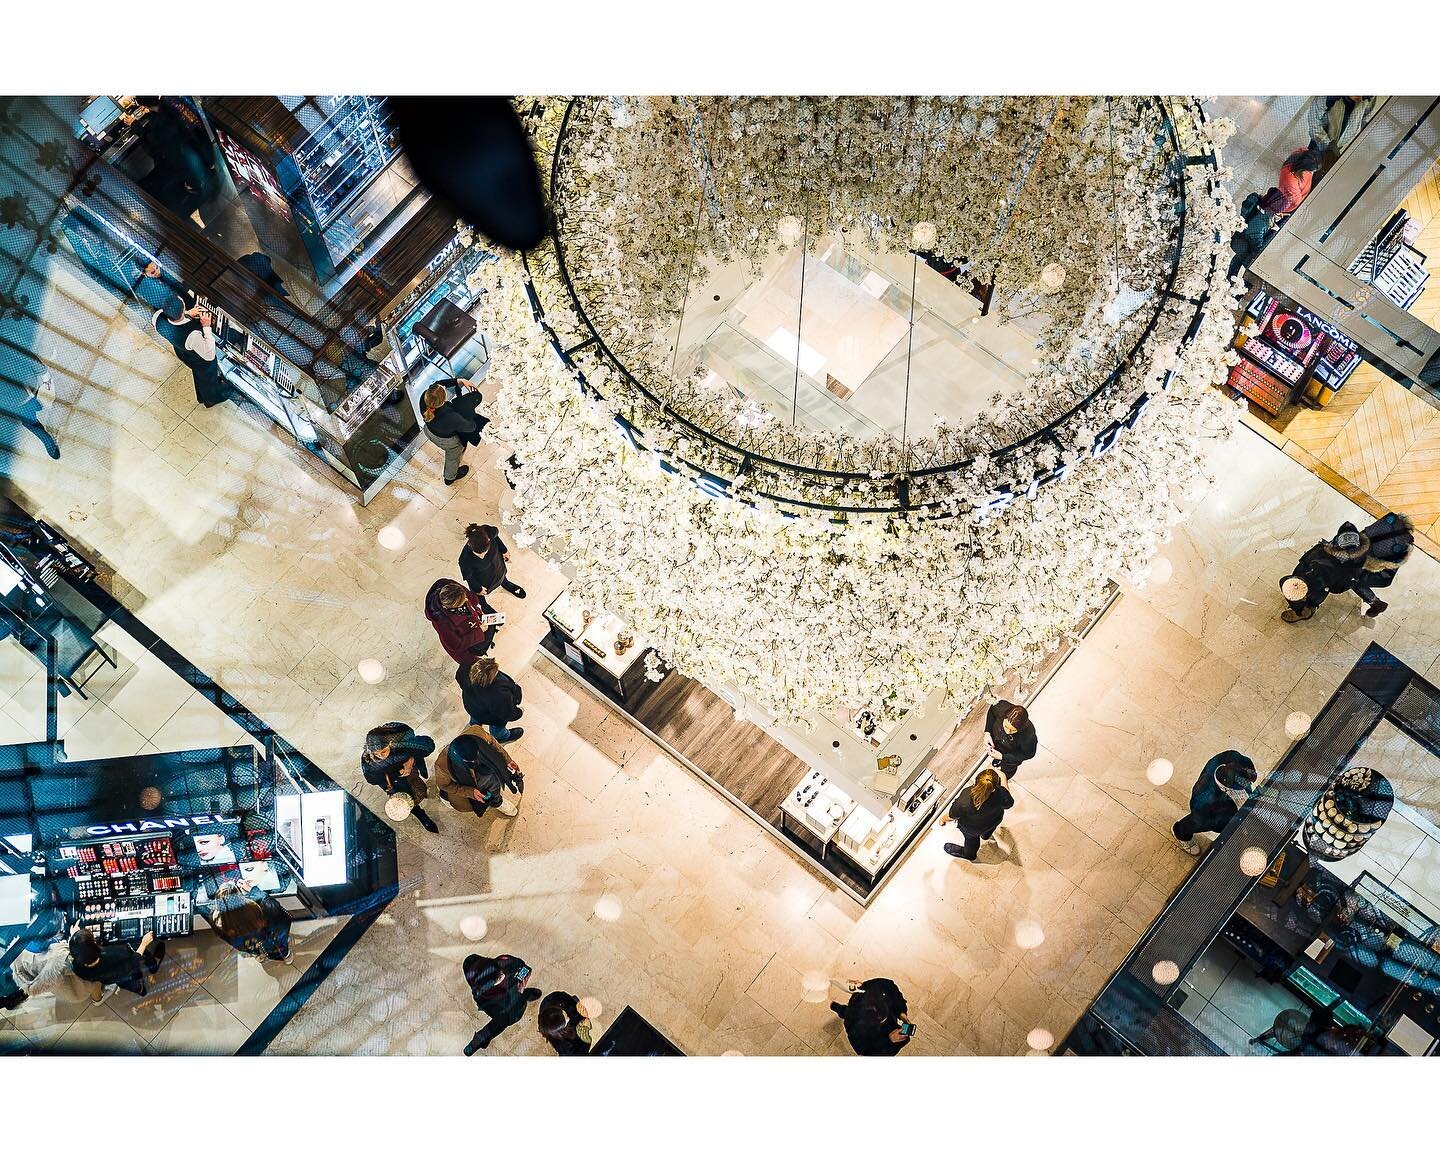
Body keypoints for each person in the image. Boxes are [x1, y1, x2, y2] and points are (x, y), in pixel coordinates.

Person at [1280, 523, 1374, 622]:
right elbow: (1306, 560)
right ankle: (1303, 607)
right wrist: (1298, 576)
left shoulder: (1352, 569)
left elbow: (1341, 586)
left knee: (1301, 593)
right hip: (1309, 577)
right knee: (1287, 584)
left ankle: (1303, 611)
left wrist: (1327, 584)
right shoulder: (1324, 549)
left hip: (1320, 586)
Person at [1172, 750, 1257, 856]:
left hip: (1230, 800)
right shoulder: (1204, 800)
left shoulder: (1232, 757)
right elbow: (1205, 820)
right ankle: (1180, 833)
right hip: (1211, 811)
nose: (1247, 784)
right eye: (1244, 783)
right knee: (1194, 823)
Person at [361, 722, 441, 833]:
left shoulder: (401, 742)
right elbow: (372, 779)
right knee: (405, 801)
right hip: (393, 781)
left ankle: (420, 768)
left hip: (408, 769)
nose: (380, 756)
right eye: (376, 754)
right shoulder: (368, 759)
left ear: (390, 743)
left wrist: (412, 758)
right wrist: (399, 772)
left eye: (383, 751)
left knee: (418, 786)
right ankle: (421, 815)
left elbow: (429, 745)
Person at [436, 726, 524, 818]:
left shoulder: (477, 732)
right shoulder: (442, 766)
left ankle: (497, 802)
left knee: (494, 785)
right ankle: (497, 803)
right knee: (483, 796)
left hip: (490, 774)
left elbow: (493, 743)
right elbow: (444, 785)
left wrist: (507, 760)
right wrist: (470, 792)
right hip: (470, 783)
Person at [462, 953, 542, 1054]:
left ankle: (479, 1040)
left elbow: (525, 968)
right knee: (502, 1021)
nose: (502, 975)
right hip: (506, 1008)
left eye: (498, 970)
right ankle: (525, 996)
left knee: (499, 1021)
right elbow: (510, 1016)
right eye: (497, 977)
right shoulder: (483, 996)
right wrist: (519, 991)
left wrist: (522, 977)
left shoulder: (503, 960)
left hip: (506, 999)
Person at [153, 300, 224, 408]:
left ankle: (201, 396)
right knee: (206, 376)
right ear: (182, 311)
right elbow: (209, 355)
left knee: (197, 373)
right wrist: (206, 326)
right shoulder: (193, 335)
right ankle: (210, 399)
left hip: (182, 351)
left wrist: (187, 314)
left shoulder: (157, 317)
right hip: (200, 360)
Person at [200, 882, 291, 962]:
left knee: (254, 949)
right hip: (272, 941)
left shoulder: (218, 922)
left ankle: (259, 955)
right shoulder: (264, 908)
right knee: (279, 950)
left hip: (247, 944)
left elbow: (202, 908)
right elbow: (281, 916)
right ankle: (286, 957)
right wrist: (252, 890)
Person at [68, 925, 164, 998]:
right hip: (125, 971)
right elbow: (133, 962)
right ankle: (150, 974)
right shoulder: (114, 956)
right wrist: (143, 944)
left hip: (111, 979)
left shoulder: (77, 967)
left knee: (126, 983)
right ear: (95, 946)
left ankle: (140, 990)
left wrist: (76, 938)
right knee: (133, 976)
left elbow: (82, 951)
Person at [421, 378, 487, 485]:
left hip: (428, 430)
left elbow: (437, 385)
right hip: (446, 441)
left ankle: (450, 476)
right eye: (444, 389)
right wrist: (470, 414)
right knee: (453, 457)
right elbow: (470, 427)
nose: (443, 386)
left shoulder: (424, 398)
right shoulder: (451, 417)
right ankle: (450, 478)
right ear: (443, 400)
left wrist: (458, 381)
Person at [939, 768, 1014, 861]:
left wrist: (942, 819)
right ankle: (986, 836)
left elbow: (952, 815)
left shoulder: (965, 798)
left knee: (971, 840)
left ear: (975, 782)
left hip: (973, 828)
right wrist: (1003, 776)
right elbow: (1009, 803)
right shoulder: (1001, 794)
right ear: (994, 787)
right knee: (988, 831)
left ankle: (969, 855)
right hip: (994, 820)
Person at [830, 977, 913, 1056]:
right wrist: (889, 1041)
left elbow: (889, 985)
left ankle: (837, 1008)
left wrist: (901, 1012)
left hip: (853, 1011)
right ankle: (839, 1009)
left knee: (846, 1011)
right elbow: (864, 1051)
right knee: (847, 1012)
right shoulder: (855, 1027)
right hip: (855, 1018)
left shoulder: (871, 994)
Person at [0, 353, 61, 460]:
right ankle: (48, 442)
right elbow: (32, 360)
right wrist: (46, 379)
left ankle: (49, 442)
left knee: (30, 422)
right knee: (30, 421)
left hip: (21, 401)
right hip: (25, 397)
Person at [425, 578, 499, 664]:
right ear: (448, 607)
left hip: (474, 625)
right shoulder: (442, 622)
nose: (467, 600)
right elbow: (455, 644)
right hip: (466, 641)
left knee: (491, 625)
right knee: (479, 649)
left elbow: (472, 598)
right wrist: (479, 631)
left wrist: (475, 608)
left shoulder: (453, 589)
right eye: (462, 602)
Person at [1356, 512, 1414, 612]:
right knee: (1356, 577)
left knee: (1354, 579)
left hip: (1380, 560)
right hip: (1387, 552)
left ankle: (1374, 602)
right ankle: (1375, 603)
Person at [458, 657, 525, 744]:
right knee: (497, 729)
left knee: (475, 718)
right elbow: (507, 713)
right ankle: (501, 737)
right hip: (492, 717)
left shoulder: (465, 672)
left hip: (472, 706)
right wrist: (519, 712)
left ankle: (474, 727)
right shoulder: (499, 695)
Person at [459, 523, 526, 600]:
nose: (483, 556)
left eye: (485, 552)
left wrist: (504, 550)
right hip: (484, 579)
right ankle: (482, 602)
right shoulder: (464, 559)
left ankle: (506, 584)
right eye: (478, 554)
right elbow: (469, 577)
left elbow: (496, 537)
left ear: (488, 539)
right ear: (470, 546)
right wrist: (478, 589)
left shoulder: (488, 532)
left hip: (497, 565)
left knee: (501, 575)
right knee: (479, 595)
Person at [1259, 146, 1324, 217]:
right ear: (1305, 167)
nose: (1312, 172)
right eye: (1311, 170)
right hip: (1288, 202)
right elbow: (1296, 201)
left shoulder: (1300, 153)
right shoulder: (1291, 181)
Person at [984, 700, 1037, 779]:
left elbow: (1028, 754)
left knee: (1007, 770)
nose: (1008, 732)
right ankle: (997, 760)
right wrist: (987, 732)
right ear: (1004, 717)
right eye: (1006, 726)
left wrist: (1003, 757)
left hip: (1011, 755)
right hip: (998, 743)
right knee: (997, 756)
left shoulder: (1028, 734)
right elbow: (992, 710)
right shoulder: (1000, 706)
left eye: (1013, 730)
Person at [537, 990, 593, 1056]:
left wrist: (580, 1007)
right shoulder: (565, 1046)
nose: (568, 1018)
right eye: (566, 1019)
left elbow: (566, 998)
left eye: (564, 1012)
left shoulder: (554, 998)